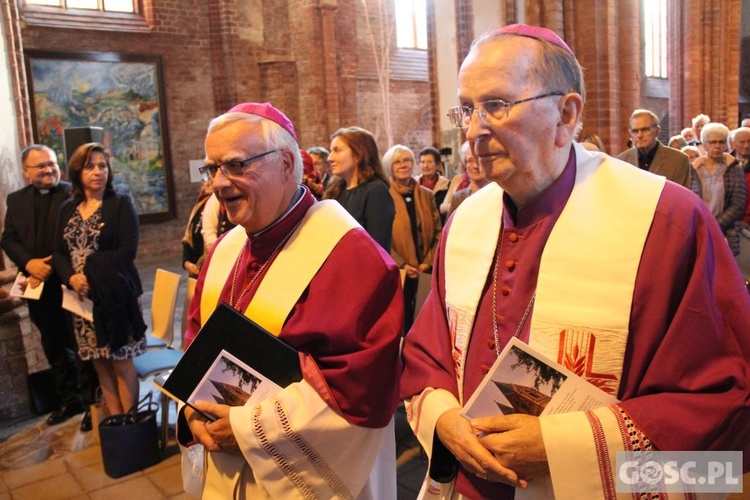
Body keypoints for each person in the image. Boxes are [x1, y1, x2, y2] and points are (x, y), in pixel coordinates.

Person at [400, 24, 750, 499]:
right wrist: (444, 419)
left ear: (566, 114)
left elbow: (723, 413)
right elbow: (428, 356)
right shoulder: (466, 222)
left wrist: (563, 449)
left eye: (497, 105)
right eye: (466, 108)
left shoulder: (666, 221)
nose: (474, 129)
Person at [180, 102, 403, 498]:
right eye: (212, 168)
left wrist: (248, 428)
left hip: (303, 473)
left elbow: (361, 387)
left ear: (286, 164)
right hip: (224, 461)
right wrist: (192, 409)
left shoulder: (350, 254)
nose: (219, 183)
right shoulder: (225, 249)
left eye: (235, 165)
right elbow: (196, 339)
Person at [1, 144, 98, 431]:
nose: (48, 169)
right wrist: (29, 263)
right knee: (52, 345)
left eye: (52, 163)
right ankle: (68, 401)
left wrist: (53, 266)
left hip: (68, 283)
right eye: (41, 165)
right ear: (26, 171)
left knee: (80, 345)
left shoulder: (73, 193)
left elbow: (79, 242)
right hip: (37, 286)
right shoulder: (15, 199)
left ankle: (91, 404)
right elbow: (8, 239)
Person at [52, 143, 146, 415]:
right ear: (77, 172)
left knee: (120, 360)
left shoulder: (120, 204)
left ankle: (131, 422)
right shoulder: (67, 208)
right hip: (81, 299)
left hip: (116, 296)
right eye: (90, 166)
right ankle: (116, 422)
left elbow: (128, 251)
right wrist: (71, 278)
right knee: (99, 362)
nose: (97, 172)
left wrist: (90, 274)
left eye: (102, 165)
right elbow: (58, 251)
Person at [383, 144, 442, 332]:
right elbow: (381, 237)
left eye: (407, 160)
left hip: (426, 270)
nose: (403, 165)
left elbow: (439, 233)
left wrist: (428, 261)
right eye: (397, 162)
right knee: (402, 324)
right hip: (398, 271)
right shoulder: (384, 196)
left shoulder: (427, 195)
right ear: (390, 167)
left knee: (426, 324)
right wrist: (401, 264)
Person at [323, 126, 396, 251]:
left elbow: (378, 247)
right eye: (331, 151)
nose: (330, 158)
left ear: (357, 155)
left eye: (337, 150)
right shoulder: (336, 191)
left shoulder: (376, 190)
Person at [691, 123, 746, 255]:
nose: (717, 146)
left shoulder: (734, 168)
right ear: (704, 144)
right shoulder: (694, 169)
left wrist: (715, 225)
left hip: (725, 232)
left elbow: (738, 204)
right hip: (698, 231)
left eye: (721, 142)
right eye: (712, 142)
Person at [617, 109, 698, 193]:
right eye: (635, 131)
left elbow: (681, 197)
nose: (639, 135)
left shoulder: (678, 160)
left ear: (657, 130)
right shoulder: (622, 161)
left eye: (645, 130)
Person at [182, 180, 213, 278]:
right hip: (196, 269)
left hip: (209, 269)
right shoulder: (200, 204)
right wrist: (186, 262)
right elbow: (189, 236)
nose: (207, 182)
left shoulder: (221, 205)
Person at [449, 141, 489, 214]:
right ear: (465, 165)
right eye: (470, 161)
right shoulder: (458, 198)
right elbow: (451, 225)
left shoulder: (499, 195)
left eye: (478, 160)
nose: (476, 166)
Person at [417, 147, 451, 224]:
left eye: (429, 162)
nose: (425, 165)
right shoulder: (415, 185)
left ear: (437, 165)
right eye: (422, 162)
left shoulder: (447, 185)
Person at [729, 127, 750, 226]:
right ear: (733, 143)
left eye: (749, 141)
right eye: (742, 142)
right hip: (729, 222)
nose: (746, 146)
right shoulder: (726, 164)